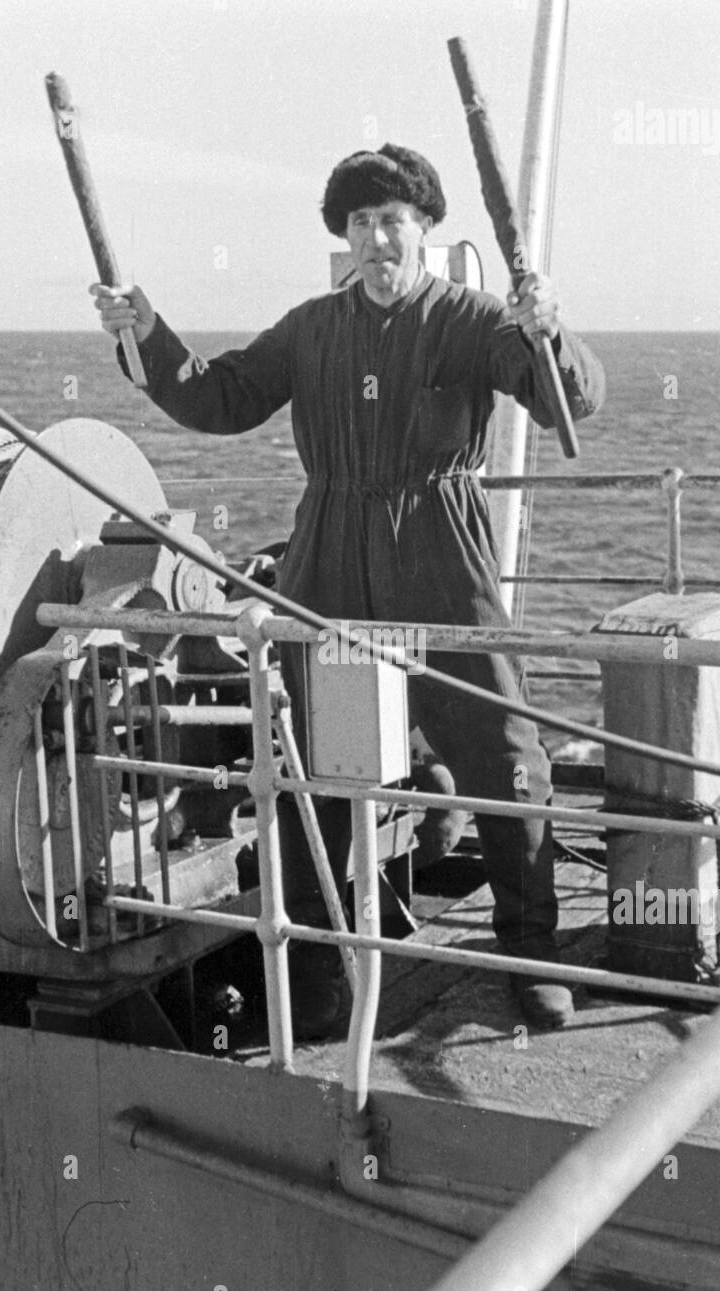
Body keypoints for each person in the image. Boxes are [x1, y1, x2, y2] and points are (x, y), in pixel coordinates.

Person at [92, 143, 605, 1039]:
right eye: (361, 224)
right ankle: (319, 970)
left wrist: (547, 328)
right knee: (318, 768)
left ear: (427, 233)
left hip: (443, 559)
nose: (377, 240)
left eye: (394, 223)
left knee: (504, 754)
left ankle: (533, 956)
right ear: (345, 237)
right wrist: (145, 329)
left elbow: (572, 402)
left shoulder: (478, 320)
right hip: (328, 562)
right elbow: (218, 399)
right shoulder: (311, 327)